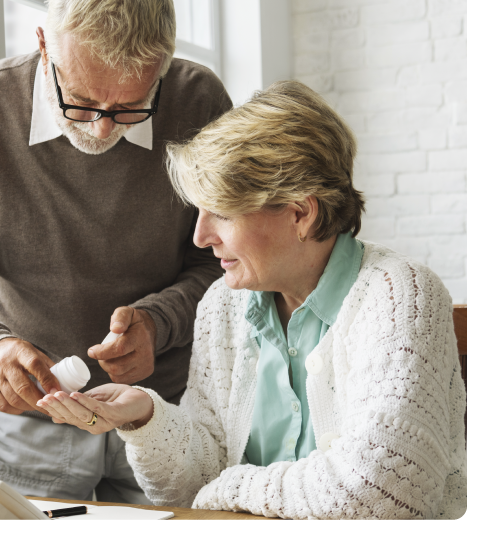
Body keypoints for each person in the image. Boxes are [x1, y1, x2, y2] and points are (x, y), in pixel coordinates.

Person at [38, 80, 467, 519]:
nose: (201, 237)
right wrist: (146, 418)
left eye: (221, 212)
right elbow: (192, 484)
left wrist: (231, 485)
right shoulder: (222, 305)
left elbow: (382, 492)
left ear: (300, 212)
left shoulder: (401, 296)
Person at [0, 0, 230, 502]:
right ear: (44, 44)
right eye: (81, 101)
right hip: (32, 421)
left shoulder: (198, 101)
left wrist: (159, 324)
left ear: (164, 66)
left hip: (168, 412)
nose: (102, 127)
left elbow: (222, 260)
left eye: (132, 107)